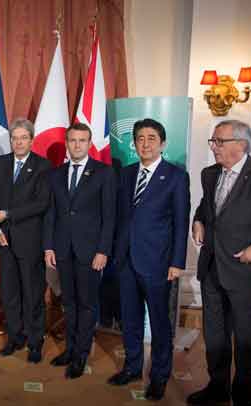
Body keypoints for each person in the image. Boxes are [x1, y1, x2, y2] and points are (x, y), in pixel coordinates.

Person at [108, 118, 190, 400]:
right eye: (140, 138)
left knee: (159, 323)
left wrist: (177, 262)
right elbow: (121, 218)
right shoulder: (127, 174)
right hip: (126, 260)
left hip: (158, 262)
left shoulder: (176, 176)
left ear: (163, 143)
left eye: (151, 138)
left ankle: (159, 376)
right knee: (129, 319)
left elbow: (181, 223)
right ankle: (132, 366)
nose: (145, 143)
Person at [188, 120, 251, 406]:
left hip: (246, 274)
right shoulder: (209, 174)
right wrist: (198, 221)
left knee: (247, 342)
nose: (213, 147)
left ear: (241, 144)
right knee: (216, 337)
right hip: (212, 270)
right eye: (213, 141)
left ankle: (244, 397)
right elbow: (206, 208)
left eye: (219, 142)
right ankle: (217, 387)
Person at [43, 122, 116, 378]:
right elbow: (51, 213)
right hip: (62, 249)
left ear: (89, 143)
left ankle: (81, 355)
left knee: (87, 305)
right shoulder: (56, 174)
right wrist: (49, 246)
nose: (77, 145)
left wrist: (103, 251)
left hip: (90, 252)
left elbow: (109, 216)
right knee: (69, 304)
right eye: (72, 140)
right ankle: (70, 349)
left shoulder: (104, 173)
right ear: (67, 143)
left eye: (82, 141)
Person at [0, 118, 51, 363]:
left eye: (23, 138)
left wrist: (9, 214)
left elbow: (41, 203)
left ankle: (35, 342)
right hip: (3, 240)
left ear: (31, 141)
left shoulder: (43, 166)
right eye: (15, 138)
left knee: (33, 294)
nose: (18, 142)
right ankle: (15, 338)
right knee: (10, 294)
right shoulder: (0, 163)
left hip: (30, 241)